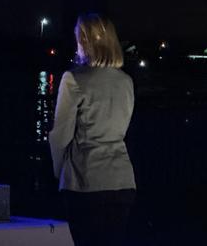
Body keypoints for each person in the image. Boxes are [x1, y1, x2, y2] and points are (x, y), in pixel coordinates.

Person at [49, 13, 136, 246]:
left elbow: (60, 135)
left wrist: (59, 172)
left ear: (85, 41)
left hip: (85, 180)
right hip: (122, 180)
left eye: (78, 38)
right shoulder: (126, 81)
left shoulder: (74, 79)